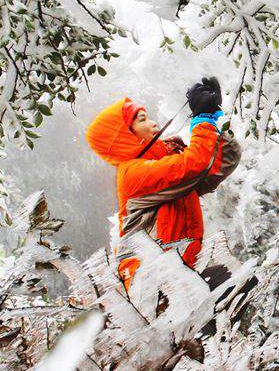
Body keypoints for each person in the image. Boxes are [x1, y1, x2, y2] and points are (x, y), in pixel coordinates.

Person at [84, 76, 241, 286]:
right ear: (124, 136)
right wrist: (203, 119)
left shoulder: (164, 161)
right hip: (150, 285)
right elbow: (195, 164)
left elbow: (219, 165)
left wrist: (215, 118)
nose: (154, 123)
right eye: (142, 120)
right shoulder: (132, 174)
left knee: (234, 279)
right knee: (233, 280)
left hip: (179, 273)